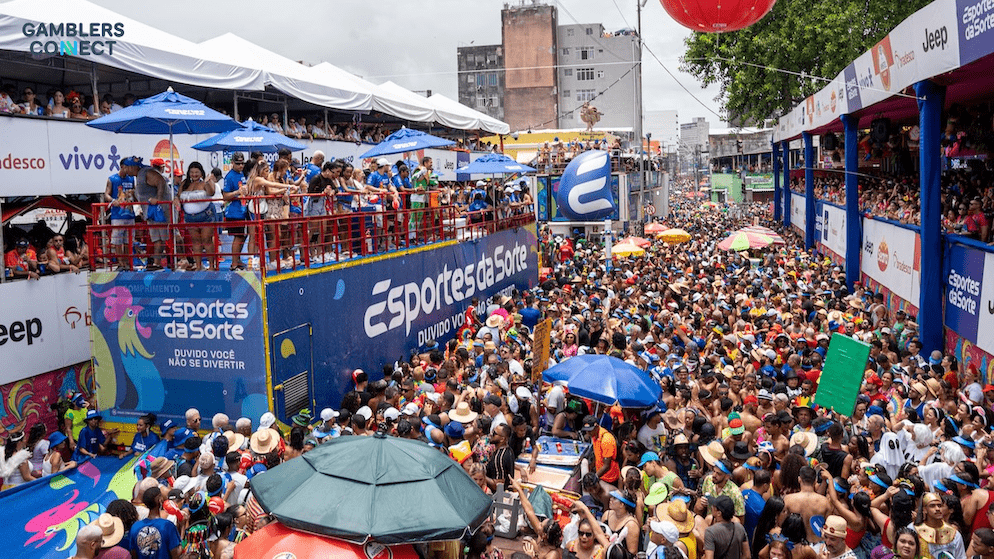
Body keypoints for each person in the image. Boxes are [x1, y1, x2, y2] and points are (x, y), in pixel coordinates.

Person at [176, 161, 217, 271]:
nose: (194, 174)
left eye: (196, 172)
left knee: (207, 240)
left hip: (206, 217)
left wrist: (208, 182)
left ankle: (212, 266)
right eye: (192, 172)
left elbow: (211, 192)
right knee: (196, 242)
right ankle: (199, 266)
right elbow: (178, 196)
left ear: (201, 173)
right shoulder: (185, 183)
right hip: (190, 218)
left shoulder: (206, 182)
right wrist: (176, 199)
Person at [103, 156, 141, 270]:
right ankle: (120, 263)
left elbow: (135, 193)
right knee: (118, 240)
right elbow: (106, 194)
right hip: (117, 214)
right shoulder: (112, 178)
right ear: (122, 166)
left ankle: (128, 262)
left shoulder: (131, 179)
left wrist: (134, 196)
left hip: (129, 213)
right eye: (128, 166)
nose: (130, 169)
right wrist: (113, 201)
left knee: (129, 240)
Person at [134, 158, 171, 270]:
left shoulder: (154, 177)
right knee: (160, 239)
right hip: (155, 212)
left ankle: (172, 261)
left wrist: (158, 200)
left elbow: (161, 183)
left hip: (158, 212)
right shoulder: (155, 178)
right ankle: (157, 263)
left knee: (164, 238)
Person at [128, 487, 181, 559]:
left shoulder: (135, 527)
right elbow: (176, 554)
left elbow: (134, 554)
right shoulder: (167, 526)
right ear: (160, 500)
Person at [583, 415, 620, 486]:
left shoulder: (606, 440)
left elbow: (606, 466)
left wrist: (594, 477)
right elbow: (597, 454)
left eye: (590, 431)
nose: (588, 433)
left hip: (610, 477)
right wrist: (590, 468)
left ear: (596, 426)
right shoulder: (594, 436)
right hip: (601, 475)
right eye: (587, 431)